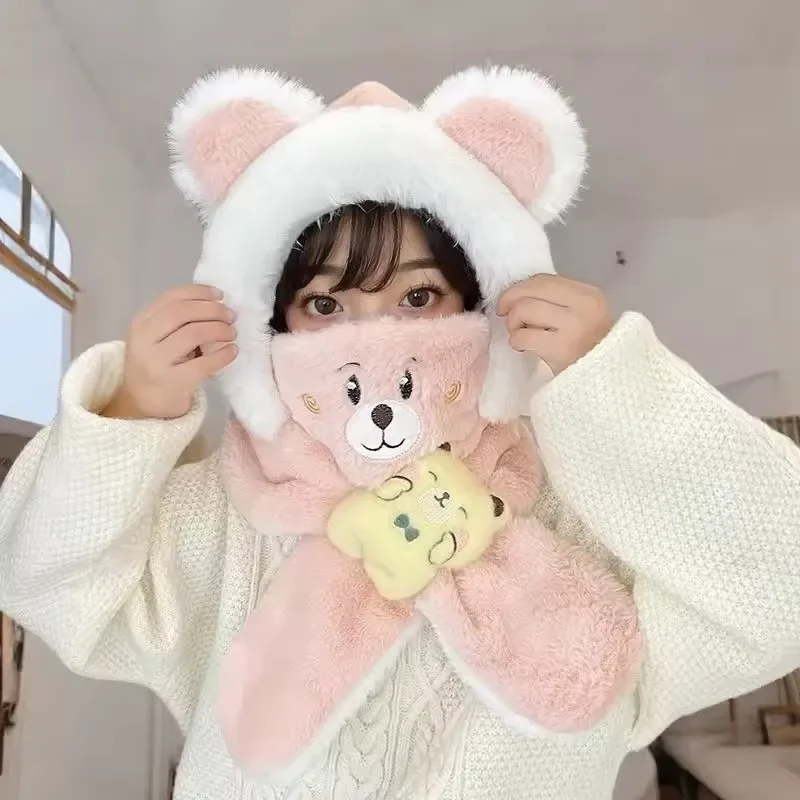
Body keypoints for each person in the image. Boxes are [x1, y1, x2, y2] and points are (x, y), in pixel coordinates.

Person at [2, 68, 800, 800]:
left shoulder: (578, 509)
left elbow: (783, 583)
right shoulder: (229, 516)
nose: (378, 342)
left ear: (485, 305)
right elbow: (50, 589)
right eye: (325, 306)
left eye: (419, 299)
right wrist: (134, 406)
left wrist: (614, 383)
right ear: (269, 326)